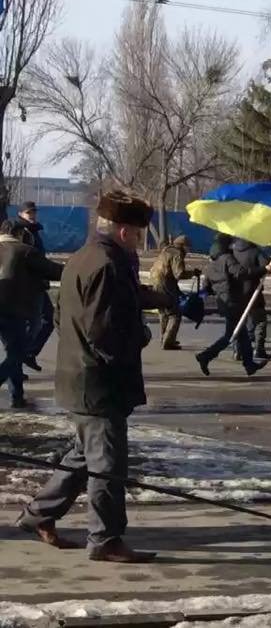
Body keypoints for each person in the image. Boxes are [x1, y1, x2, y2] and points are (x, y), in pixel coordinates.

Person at [16, 191, 172, 562]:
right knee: (107, 465)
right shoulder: (106, 264)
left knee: (85, 456)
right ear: (122, 231)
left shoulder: (85, 258)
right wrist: (142, 335)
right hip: (100, 383)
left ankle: (38, 515)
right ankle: (105, 539)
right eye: (137, 233)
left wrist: (164, 300)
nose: (140, 240)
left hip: (80, 376)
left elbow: (67, 315)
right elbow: (103, 331)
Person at [0, 220, 63, 409]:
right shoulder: (24, 251)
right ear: (19, 234)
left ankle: (17, 396)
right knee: (17, 353)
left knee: (14, 352)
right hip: (13, 310)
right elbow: (53, 270)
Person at [196, 234, 271, 377]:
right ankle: (205, 356)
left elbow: (206, 288)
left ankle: (249, 365)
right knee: (231, 335)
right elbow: (241, 273)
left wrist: (205, 296)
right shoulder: (227, 258)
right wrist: (264, 269)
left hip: (223, 302)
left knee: (241, 334)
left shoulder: (211, 264)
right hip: (233, 302)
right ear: (226, 246)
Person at [12, 201, 55, 372]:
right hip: (30, 285)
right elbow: (27, 259)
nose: (33, 215)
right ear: (21, 214)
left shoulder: (33, 231)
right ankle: (21, 357)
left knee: (41, 321)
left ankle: (23, 356)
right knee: (38, 322)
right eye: (29, 212)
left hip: (36, 283)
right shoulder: (24, 232)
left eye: (34, 212)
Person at [149, 235, 199, 350]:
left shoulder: (166, 251)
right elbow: (179, 274)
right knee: (175, 314)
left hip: (155, 282)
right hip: (166, 284)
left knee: (163, 312)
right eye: (188, 247)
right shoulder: (177, 254)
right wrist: (193, 273)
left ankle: (164, 338)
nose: (188, 250)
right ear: (183, 246)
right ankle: (168, 341)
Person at [232, 239, 271, 361]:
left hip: (236, 291)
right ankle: (259, 349)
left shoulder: (232, 251)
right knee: (260, 320)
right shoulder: (255, 251)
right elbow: (266, 266)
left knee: (239, 321)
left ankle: (238, 349)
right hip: (253, 291)